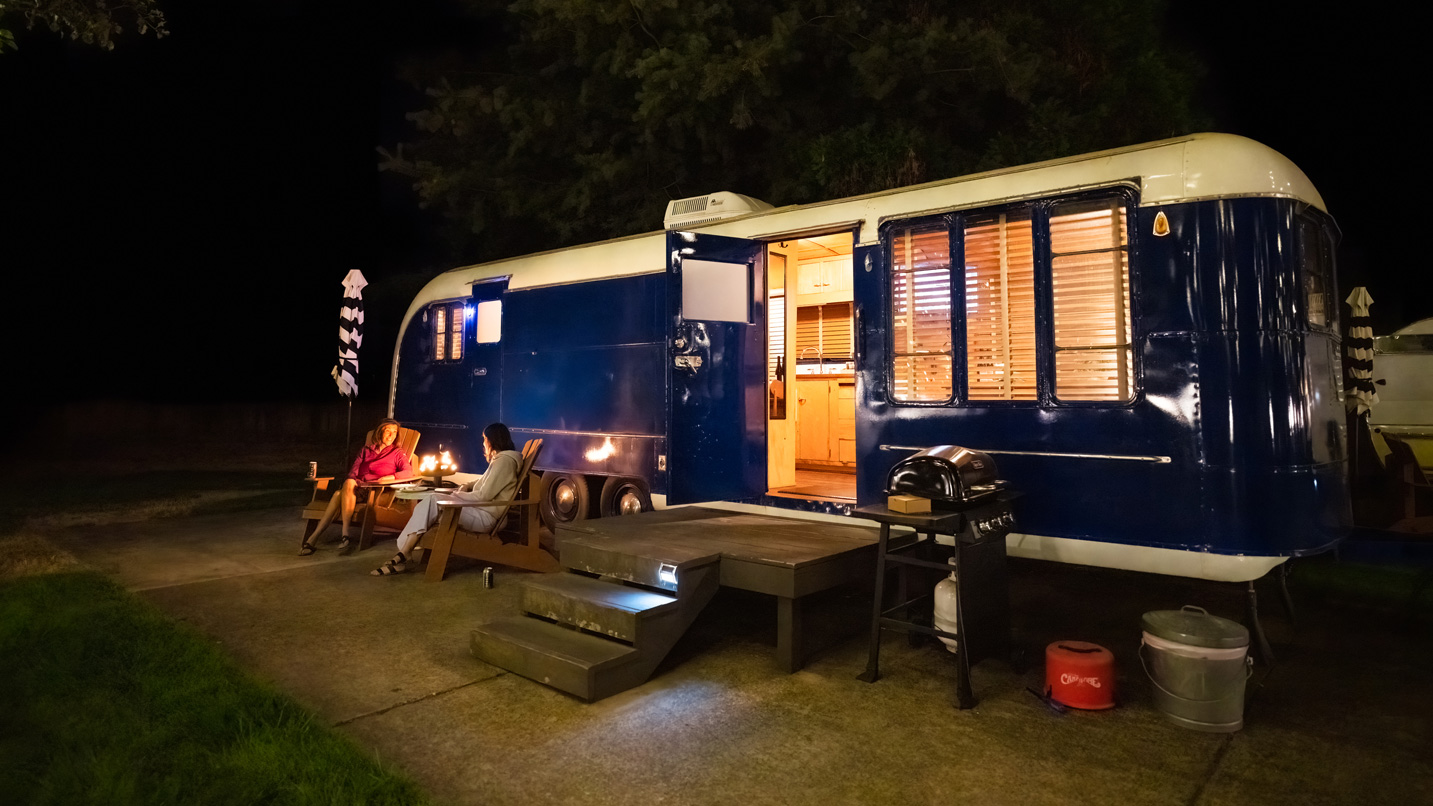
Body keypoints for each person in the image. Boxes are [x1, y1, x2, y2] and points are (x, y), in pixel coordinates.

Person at [372, 422, 521, 576]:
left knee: (432, 501)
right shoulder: (501, 460)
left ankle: (403, 552)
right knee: (431, 501)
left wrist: (455, 495)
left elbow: (484, 495)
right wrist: (468, 485)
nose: (483, 443)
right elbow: (484, 482)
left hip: (485, 516)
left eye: (484, 439)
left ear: (492, 440)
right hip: (479, 509)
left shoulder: (505, 462)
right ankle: (405, 552)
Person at [301, 418, 413, 556]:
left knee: (338, 494)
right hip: (358, 489)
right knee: (348, 482)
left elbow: (408, 472)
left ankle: (315, 539)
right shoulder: (366, 450)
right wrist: (354, 483)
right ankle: (344, 535)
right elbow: (353, 472)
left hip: (377, 493)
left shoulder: (397, 453)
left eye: (394, 432)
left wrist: (391, 477)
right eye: (387, 431)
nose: (391, 435)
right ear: (379, 432)